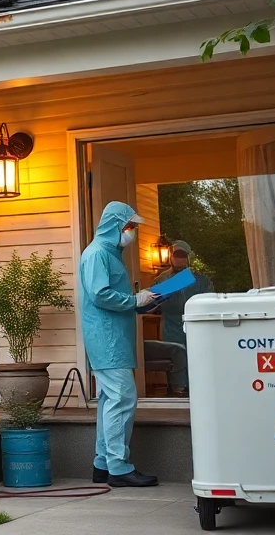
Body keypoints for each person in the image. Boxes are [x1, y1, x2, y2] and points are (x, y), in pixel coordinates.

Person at [79, 201, 159, 488]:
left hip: (113, 338)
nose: (133, 231)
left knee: (111, 402)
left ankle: (103, 464)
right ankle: (119, 467)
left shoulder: (110, 253)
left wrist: (143, 303)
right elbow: (100, 295)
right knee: (123, 399)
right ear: (115, 225)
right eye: (130, 226)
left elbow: (114, 297)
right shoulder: (98, 253)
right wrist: (134, 301)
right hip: (107, 340)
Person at [142, 240, 212, 396]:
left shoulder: (201, 281)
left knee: (198, 357)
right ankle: (178, 391)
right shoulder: (161, 280)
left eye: (183, 256)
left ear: (188, 258)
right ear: (170, 257)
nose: (179, 260)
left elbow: (209, 303)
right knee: (176, 358)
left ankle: (200, 389)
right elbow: (151, 304)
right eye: (176, 256)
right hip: (170, 326)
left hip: (195, 326)